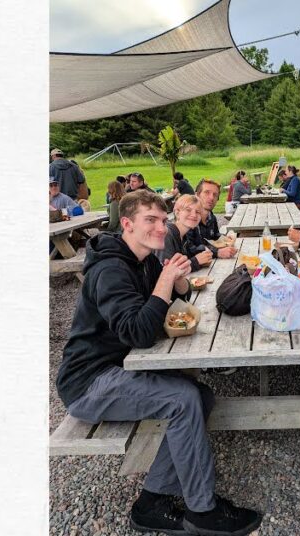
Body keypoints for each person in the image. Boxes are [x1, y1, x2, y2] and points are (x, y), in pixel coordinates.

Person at [56, 189, 262, 535]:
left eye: (162, 220)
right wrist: (166, 281)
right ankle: (203, 511)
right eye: (149, 220)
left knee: (201, 396)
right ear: (127, 224)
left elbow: (166, 305)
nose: (159, 228)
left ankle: (152, 502)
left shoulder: (145, 258)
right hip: (90, 381)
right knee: (182, 400)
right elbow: (139, 332)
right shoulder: (110, 269)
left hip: (121, 366)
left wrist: (178, 282)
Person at [155, 194, 210, 272]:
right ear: (177, 213)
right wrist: (196, 261)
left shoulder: (184, 235)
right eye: (188, 210)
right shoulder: (166, 234)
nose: (194, 215)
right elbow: (165, 271)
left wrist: (204, 255)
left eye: (197, 212)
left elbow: (190, 254)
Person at [187, 178, 236, 260]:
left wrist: (225, 238)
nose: (211, 198)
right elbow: (190, 249)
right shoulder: (188, 219)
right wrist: (217, 252)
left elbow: (214, 236)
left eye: (215, 195)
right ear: (196, 195)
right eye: (207, 193)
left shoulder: (211, 217)